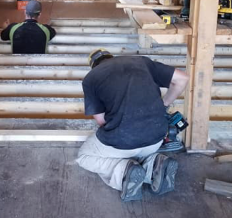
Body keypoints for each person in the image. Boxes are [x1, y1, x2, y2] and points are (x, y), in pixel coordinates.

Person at [76, 49, 189, 202]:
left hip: (122, 141)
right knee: (138, 151)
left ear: (93, 65)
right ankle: (154, 165)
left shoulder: (91, 78)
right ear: (111, 57)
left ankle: (124, 172)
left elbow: (102, 122)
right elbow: (182, 78)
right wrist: (164, 104)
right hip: (157, 138)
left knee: (84, 157)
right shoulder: (142, 62)